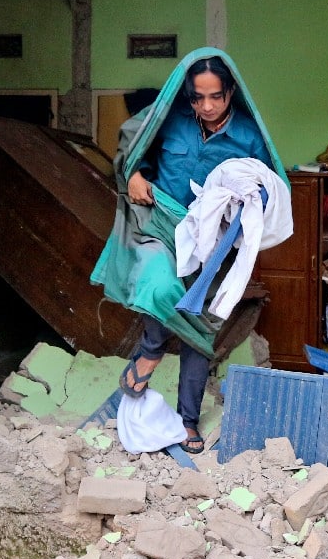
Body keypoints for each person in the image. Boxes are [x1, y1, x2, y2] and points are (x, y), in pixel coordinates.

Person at [91, 48, 287, 454]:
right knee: (159, 287)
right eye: (198, 97)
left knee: (199, 330)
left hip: (214, 246)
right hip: (163, 227)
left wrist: (252, 201)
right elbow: (132, 149)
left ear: (231, 91)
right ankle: (148, 355)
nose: (208, 106)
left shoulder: (249, 136)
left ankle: (188, 422)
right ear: (188, 95)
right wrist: (137, 175)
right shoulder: (170, 120)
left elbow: (269, 191)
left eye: (216, 96)